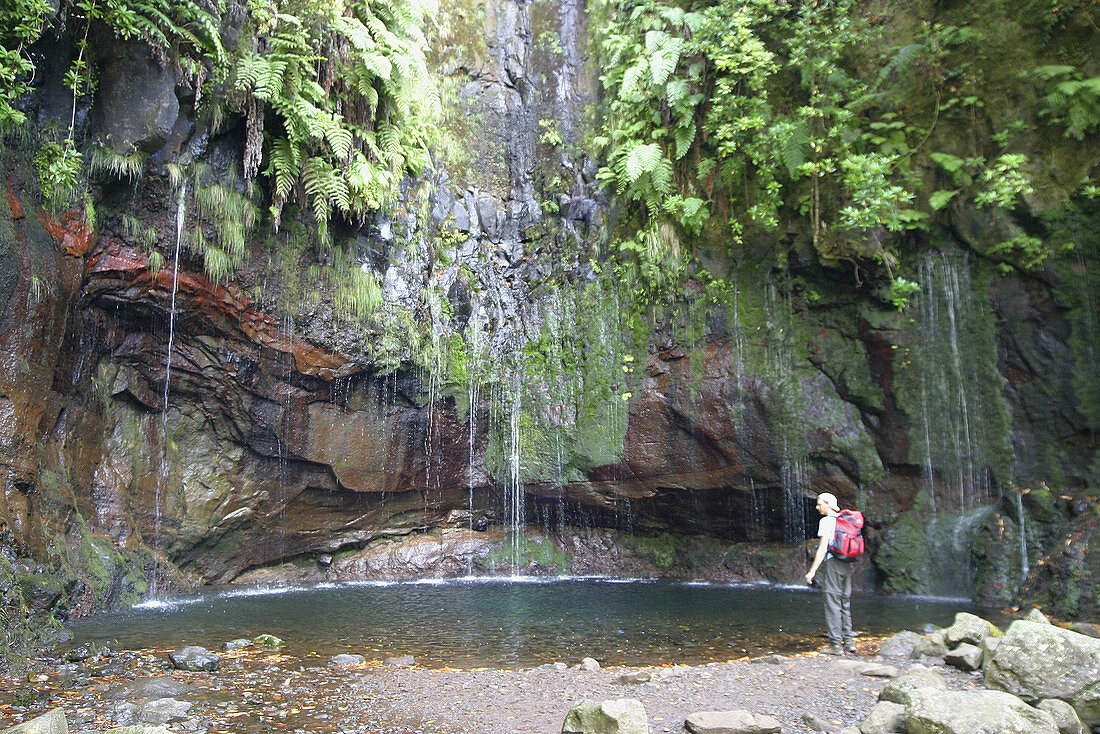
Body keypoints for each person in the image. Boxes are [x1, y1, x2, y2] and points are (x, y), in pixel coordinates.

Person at [804, 491, 856, 655]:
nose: (817, 507)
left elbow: (823, 549)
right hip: (847, 564)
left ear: (828, 504)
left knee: (832, 602)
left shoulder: (826, 521)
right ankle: (849, 642)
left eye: (820, 504)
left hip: (833, 563)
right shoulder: (845, 520)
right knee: (844, 602)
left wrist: (812, 571)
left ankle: (835, 645)